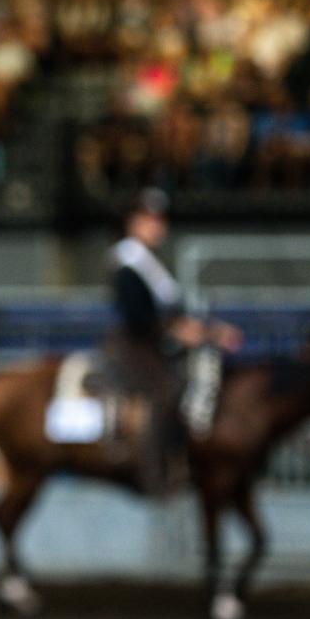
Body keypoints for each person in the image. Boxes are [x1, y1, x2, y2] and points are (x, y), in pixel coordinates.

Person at [103, 188, 242, 492]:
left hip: (155, 344)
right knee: (166, 392)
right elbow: (140, 319)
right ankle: (155, 473)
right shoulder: (128, 262)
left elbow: (172, 313)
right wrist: (181, 332)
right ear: (133, 222)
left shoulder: (151, 263)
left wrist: (211, 331)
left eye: (159, 220)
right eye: (149, 219)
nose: (157, 226)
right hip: (136, 348)